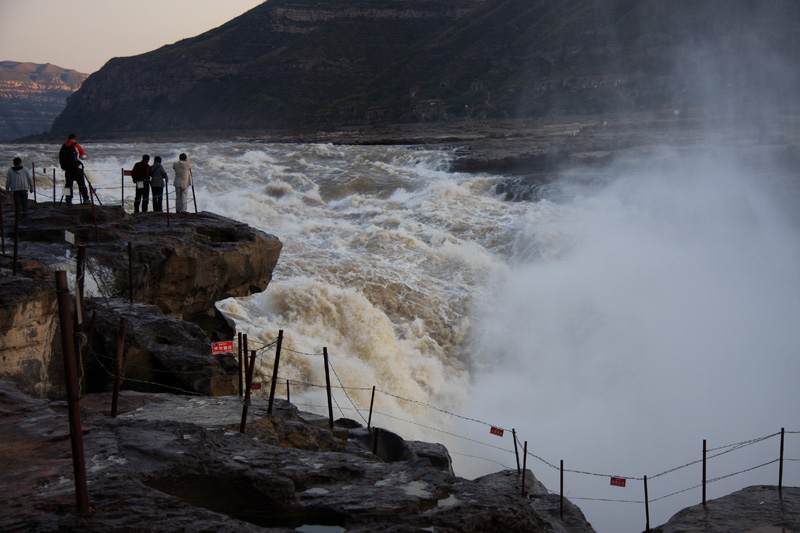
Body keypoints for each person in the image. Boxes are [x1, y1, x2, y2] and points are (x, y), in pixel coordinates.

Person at [58, 133, 88, 204]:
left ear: (68, 138)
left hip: (67, 169)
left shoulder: (63, 146)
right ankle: (86, 199)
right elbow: (84, 156)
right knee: (81, 184)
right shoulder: (76, 145)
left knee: (68, 184)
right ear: (75, 139)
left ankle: (67, 199)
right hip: (76, 168)